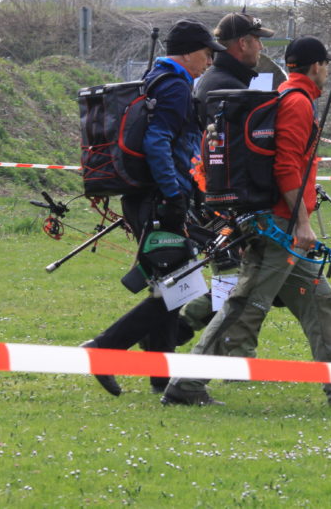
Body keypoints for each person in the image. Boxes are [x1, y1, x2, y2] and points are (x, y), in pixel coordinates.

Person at [162, 36, 331, 407]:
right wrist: (302, 224)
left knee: (320, 302)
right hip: (280, 227)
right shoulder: (297, 103)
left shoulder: (287, 95)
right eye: (326, 65)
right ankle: (185, 385)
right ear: (317, 66)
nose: (327, 72)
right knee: (244, 306)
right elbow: (286, 166)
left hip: (281, 224)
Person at [80, 19, 226, 397]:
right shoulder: (175, 85)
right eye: (207, 53)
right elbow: (157, 141)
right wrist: (173, 194)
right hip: (160, 199)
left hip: (148, 196)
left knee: (171, 287)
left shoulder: (158, 79)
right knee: (180, 286)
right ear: (189, 52)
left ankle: (162, 377)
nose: (210, 62)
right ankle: (104, 349)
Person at [180, 11, 278, 336]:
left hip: (215, 196)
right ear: (243, 43)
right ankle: (181, 330)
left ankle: (183, 329)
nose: (261, 47)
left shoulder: (222, 80)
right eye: (258, 40)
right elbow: (231, 153)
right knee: (235, 277)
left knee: (242, 278)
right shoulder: (225, 87)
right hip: (220, 200)